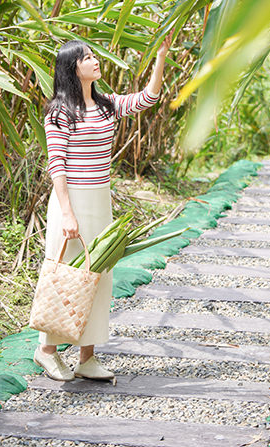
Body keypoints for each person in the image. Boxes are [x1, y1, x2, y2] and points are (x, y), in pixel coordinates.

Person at [32, 33, 171, 381]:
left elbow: (148, 98)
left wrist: (161, 56)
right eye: (87, 57)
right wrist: (67, 213)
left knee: (99, 276)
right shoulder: (59, 111)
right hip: (72, 200)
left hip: (100, 198)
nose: (95, 61)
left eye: (94, 56)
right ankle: (46, 350)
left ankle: (87, 357)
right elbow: (57, 165)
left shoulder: (106, 104)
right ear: (72, 68)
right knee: (67, 277)